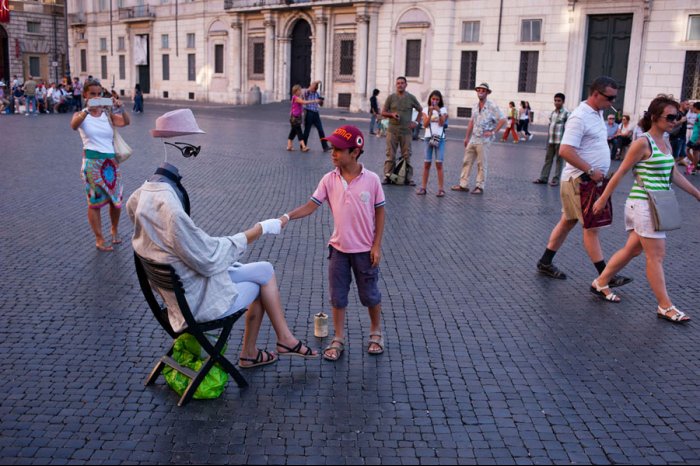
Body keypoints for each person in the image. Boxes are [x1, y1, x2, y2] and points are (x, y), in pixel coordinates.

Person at [127, 109, 318, 367]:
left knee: (265, 269)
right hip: (195, 301)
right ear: (184, 146)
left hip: (181, 285)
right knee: (261, 285)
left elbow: (191, 249)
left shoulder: (139, 196)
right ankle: (257, 350)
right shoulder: (169, 208)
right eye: (195, 144)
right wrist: (258, 229)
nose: (199, 149)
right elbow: (208, 258)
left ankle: (280, 340)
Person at [590, 95, 700, 322]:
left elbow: (674, 174)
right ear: (654, 117)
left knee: (633, 249)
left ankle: (600, 282)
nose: (674, 120)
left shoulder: (666, 141)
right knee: (656, 255)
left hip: (655, 203)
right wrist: (602, 199)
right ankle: (665, 306)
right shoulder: (642, 143)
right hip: (644, 204)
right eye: (670, 116)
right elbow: (620, 172)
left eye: (677, 116)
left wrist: (697, 194)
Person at [282, 125, 386, 361]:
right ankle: (338, 338)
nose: (333, 153)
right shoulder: (329, 179)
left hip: (364, 252)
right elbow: (311, 205)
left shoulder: (371, 180)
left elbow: (380, 212)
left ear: (355, 152)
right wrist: (287, 217)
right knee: (337, 297)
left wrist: (376, 245)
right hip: (338, 250)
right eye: (333, 148)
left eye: (339, 149)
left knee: (370, 295)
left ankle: (376, 332)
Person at [535, 76, 632, 287]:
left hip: (584, 179)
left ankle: (545, 261)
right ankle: (605, 276)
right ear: (596, 94)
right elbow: (565, 150)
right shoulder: (579, 117)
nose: (612, 103)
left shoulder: (597, 113)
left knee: (567, 221)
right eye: (610, 98)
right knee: (591, 227)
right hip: (580, 180)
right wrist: (590, 169)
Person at [70, 78, 130, 252]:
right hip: (91, 164)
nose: (97, 97)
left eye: (99, 94)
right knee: (94, 203)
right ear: (85, 95)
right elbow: (73, 125)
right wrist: (87, 110)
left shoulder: (107, 115)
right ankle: (99, 238)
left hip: (111, 164)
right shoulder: (81, 115)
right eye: (93, 94)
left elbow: (125, 122)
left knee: (116, 201)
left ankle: (114, 229)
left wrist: (122, 107)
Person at [451, 82, 506, 195]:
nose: (480, 92)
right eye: (479, 90)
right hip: (473, 138)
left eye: (483, 90)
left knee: (481, 164)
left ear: (487, 93)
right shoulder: (475, 106)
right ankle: (463, 184)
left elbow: (503, 119)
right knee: (467, 161)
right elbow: (471, 122)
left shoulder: (492, 106)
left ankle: (479, 186)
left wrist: (492, 132)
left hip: (484, 140)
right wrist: (466, 137)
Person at [381, 76, 423, 186]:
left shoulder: (411, 98)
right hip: (392, 131)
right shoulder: (391, 98)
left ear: (406, 85)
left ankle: (408, 178)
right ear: (396, 85)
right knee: (390, 154)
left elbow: (420, 110)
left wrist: (416, 123)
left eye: (402, 83)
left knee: (407, 155)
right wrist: (391, 114)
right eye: (398, 83)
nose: (400, 85)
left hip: (406, 132)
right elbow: (383, 112)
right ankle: (387, 176)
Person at [533, 93, 569, 186]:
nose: (557, 102)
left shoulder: (566, 113)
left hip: (560, 141)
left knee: (559, 161)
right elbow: (550, 125)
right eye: (555, 100)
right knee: (548, 160)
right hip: (551, 141)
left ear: (563, 102)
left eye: (559, 101)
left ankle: (556, 180)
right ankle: (543, 178)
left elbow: (569, 128)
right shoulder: (552, 113)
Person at [417, 90, 448, 197]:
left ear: (440, 101)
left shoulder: (443, 109)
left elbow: (442, 123)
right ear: (430, 99)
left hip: (440, 138)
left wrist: (438, 111)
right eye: (433, 99)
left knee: (439, 163)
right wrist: (430, 113)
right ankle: (423, 187)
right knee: (427, 163)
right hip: (428, 137)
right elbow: (425, 124)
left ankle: (441, 189)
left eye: (437, 99)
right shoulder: (425, 109)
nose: (435, 101)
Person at [301, 80, 329, 151]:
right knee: (307, 130)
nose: (315, 89)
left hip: (316, 113)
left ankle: (325, 147)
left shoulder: (317, 93)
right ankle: (303, 146)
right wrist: (316, 82)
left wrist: (321, 102)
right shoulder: (307, 92)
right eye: (314, 88)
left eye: (316, 88)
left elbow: (321, 105)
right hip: (309, 112)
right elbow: (309, 89)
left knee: (321, 130)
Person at [287, 84, 315, 152]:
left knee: (293, 132)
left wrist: (309, 89)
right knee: (299, 132)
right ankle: (303, 147)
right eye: (299, 90)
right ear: (296, 91)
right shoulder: (295, 98)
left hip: (296, 117)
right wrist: (313, 101)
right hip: (295, 118)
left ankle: (289, 146)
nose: (300, 91)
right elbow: (304, 102)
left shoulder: (296, 97)